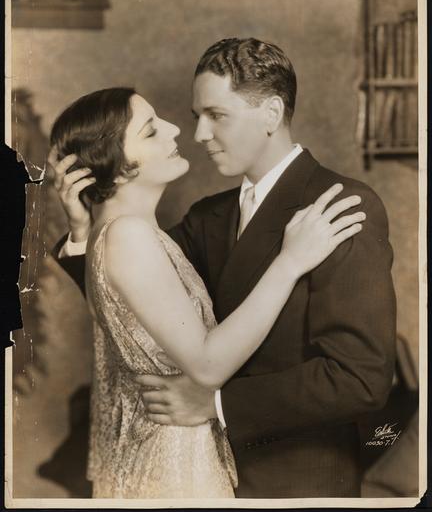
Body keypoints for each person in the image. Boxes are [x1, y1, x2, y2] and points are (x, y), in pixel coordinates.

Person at [51, 38, 396, 498]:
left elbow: (361, 380)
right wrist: (82, 231)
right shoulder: (208, 216)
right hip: (201, 472)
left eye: (217, 116)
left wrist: (216, 403)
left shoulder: (340, 206)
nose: (199, 134)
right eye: (198, 117)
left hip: (295, 484)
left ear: (271, 114)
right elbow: (128, 307)